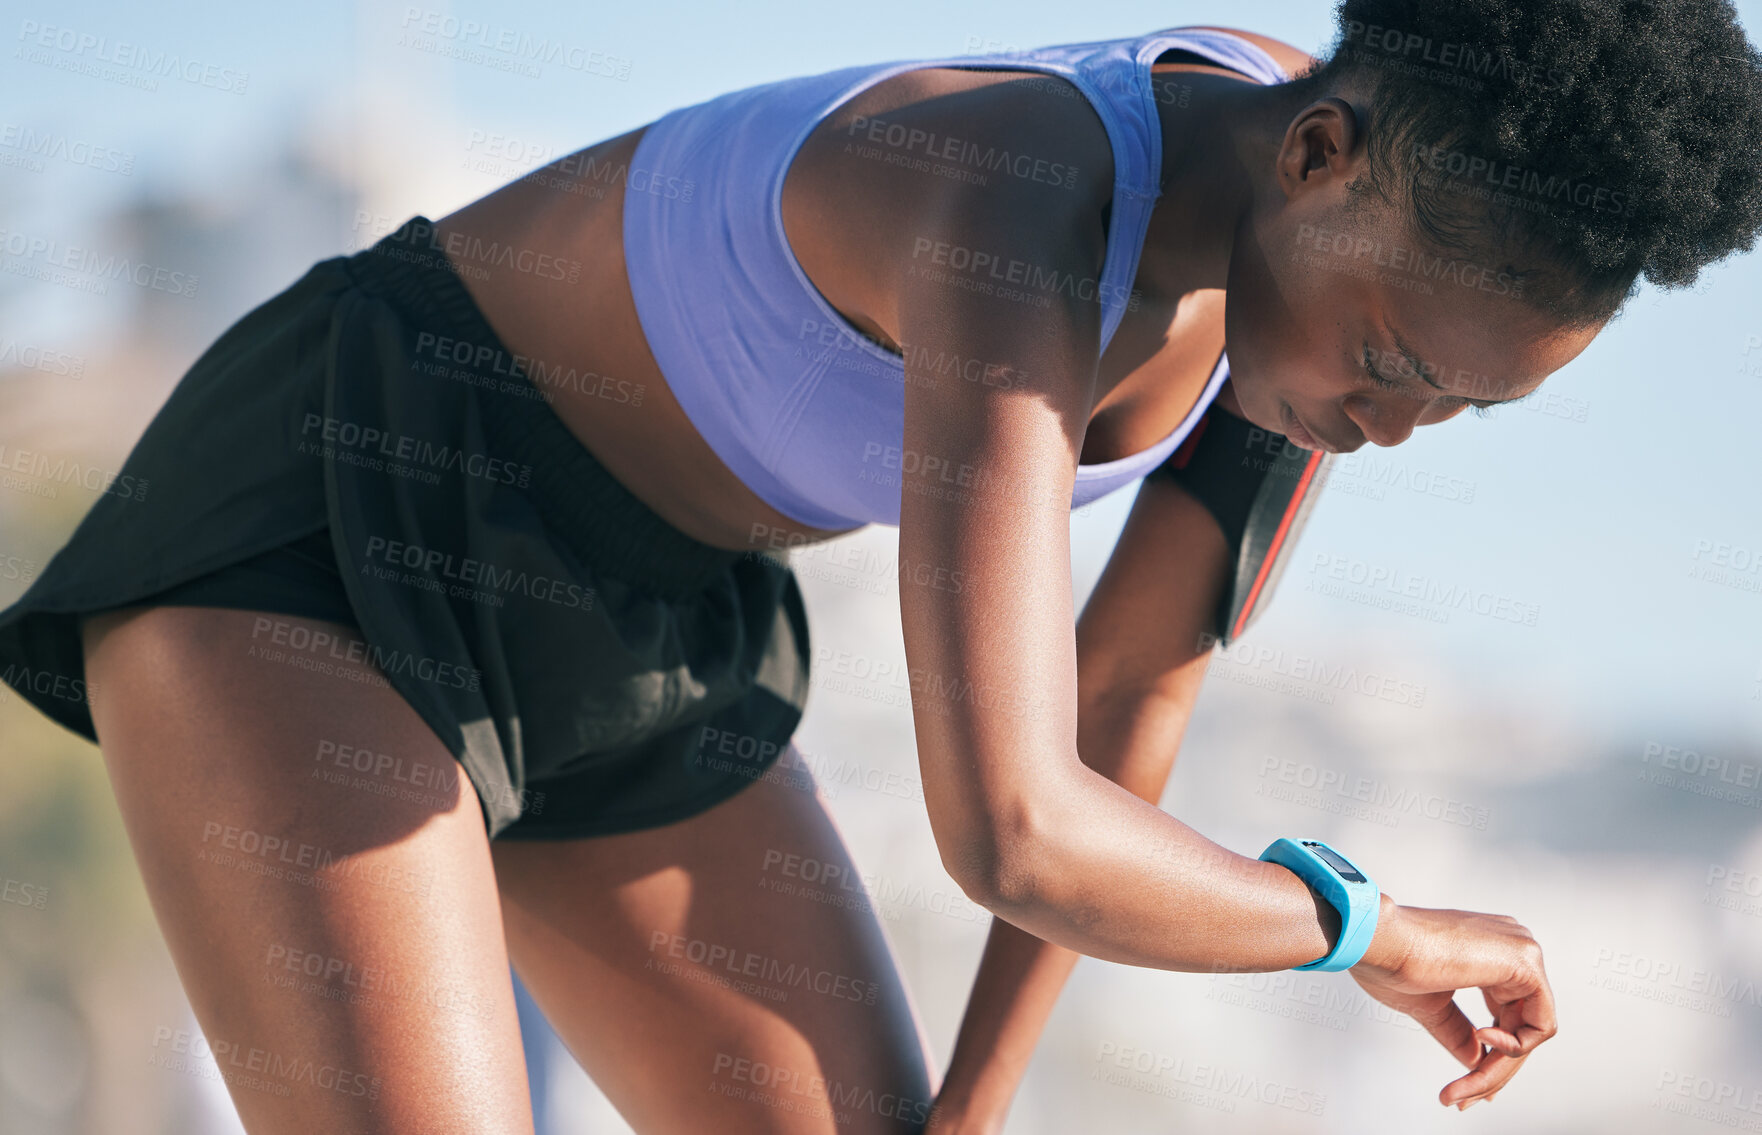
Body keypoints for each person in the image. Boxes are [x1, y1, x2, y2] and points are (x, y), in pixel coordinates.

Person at [3, 2, 1760, 1131]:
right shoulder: (1009, 198)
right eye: (1397, 364)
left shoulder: (1307, 299)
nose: (1398, 425)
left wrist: (974, 1111)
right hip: (342, 518)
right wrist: (1364, 931)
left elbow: (1108, 726)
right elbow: (1009, 828)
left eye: (1466, 405)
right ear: (1315, 156)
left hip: (659, 622)